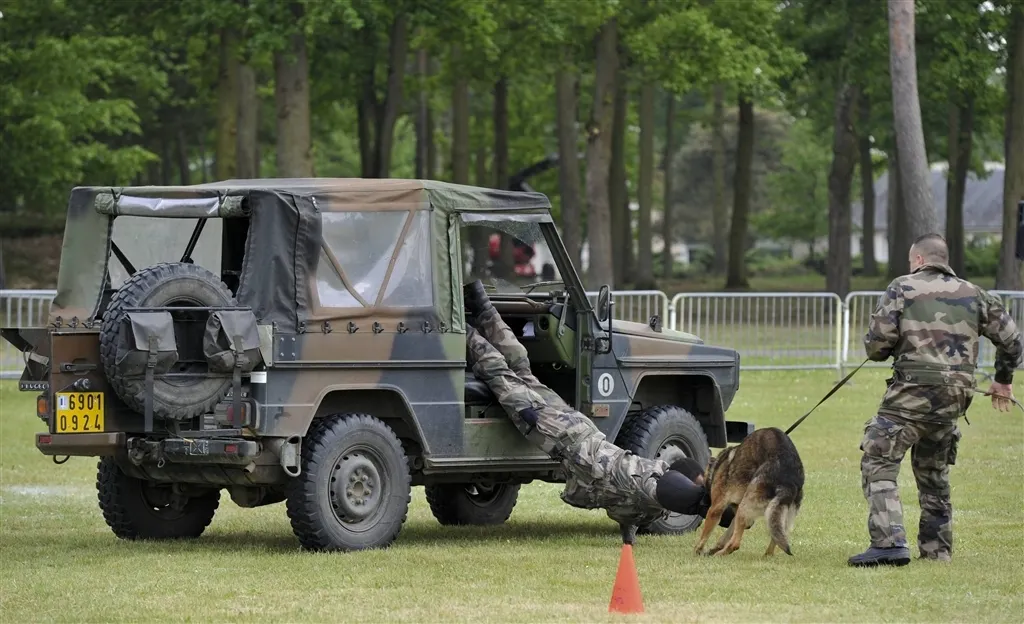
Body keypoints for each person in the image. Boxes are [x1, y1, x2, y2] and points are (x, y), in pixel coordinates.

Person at [463, 279, 734, 539]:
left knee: (515, 370)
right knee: (506, 373)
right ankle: (470, 319)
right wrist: (705, 499)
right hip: (572, 438)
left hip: (575, 435)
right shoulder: (642, 493)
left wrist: (702, 499)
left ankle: (470, 316)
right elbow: (670, 481)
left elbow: (668, 484)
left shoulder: (642, 502)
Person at [848, 234, 1022, 567]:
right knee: (934, 474)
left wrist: (891, 346)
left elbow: (877, 346)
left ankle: (888, 544)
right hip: (953, 401)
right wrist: (1003, 380)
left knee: (879, 460)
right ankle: (936, 551)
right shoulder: (976, 294)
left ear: (918, 259)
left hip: (909, 398)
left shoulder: (902, 287)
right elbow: (1012, 340)